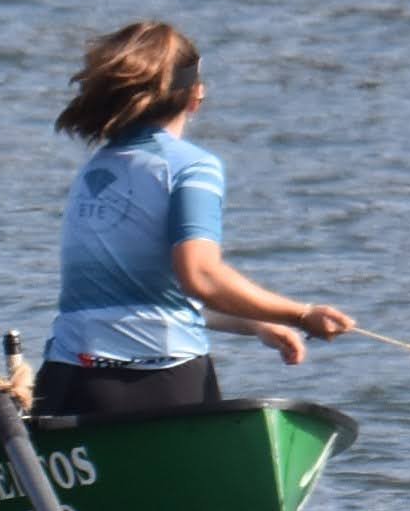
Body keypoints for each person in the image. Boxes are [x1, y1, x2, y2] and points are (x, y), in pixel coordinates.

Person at [43, 21, 351, 420]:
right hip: (158, 381)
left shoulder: (95, 170)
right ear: (195, 95)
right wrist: (301, 314)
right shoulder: (192, 168)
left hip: (67, 381)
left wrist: (256, 324)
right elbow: (200, 278)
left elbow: (146, 300)